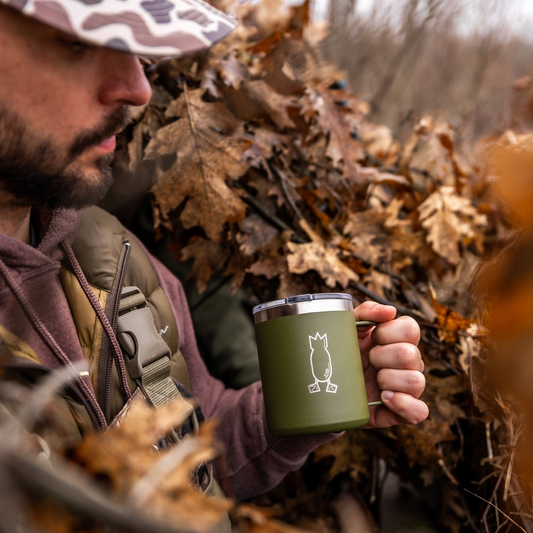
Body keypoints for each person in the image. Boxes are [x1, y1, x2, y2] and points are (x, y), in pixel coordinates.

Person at [0, 0, 428, 512]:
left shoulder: (118, 262)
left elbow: (200, 455)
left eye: (136, 48)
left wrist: (314, 393)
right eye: (77, 42)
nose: (138, 89)